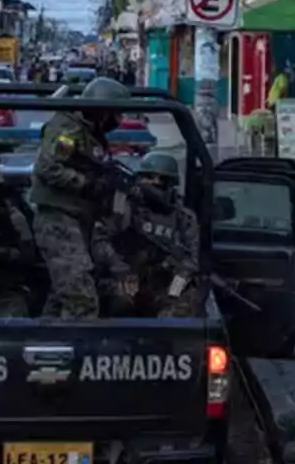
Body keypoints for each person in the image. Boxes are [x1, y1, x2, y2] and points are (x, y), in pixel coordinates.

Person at [29, 76, 137, 319]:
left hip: (78, 219)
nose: (118, 121)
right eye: (115, 114)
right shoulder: (67, 128)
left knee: (62, 297)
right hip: (58, 218)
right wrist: (87, 184)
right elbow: (47, 168)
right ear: (101, 111)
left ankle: (46, 343)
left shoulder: (91, 134)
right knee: (82, 301)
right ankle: (77, 354)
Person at [114, 151, 201, 317]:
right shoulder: (127, 208)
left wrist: (173, 291)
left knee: (179, 309)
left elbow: (190, 264)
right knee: (117, 302)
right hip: (129, 277)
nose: (154, 183)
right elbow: (103, 242)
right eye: (148, 177)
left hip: (165, 283)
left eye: (161, 180)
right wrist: (121, 271)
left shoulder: (183, 217)